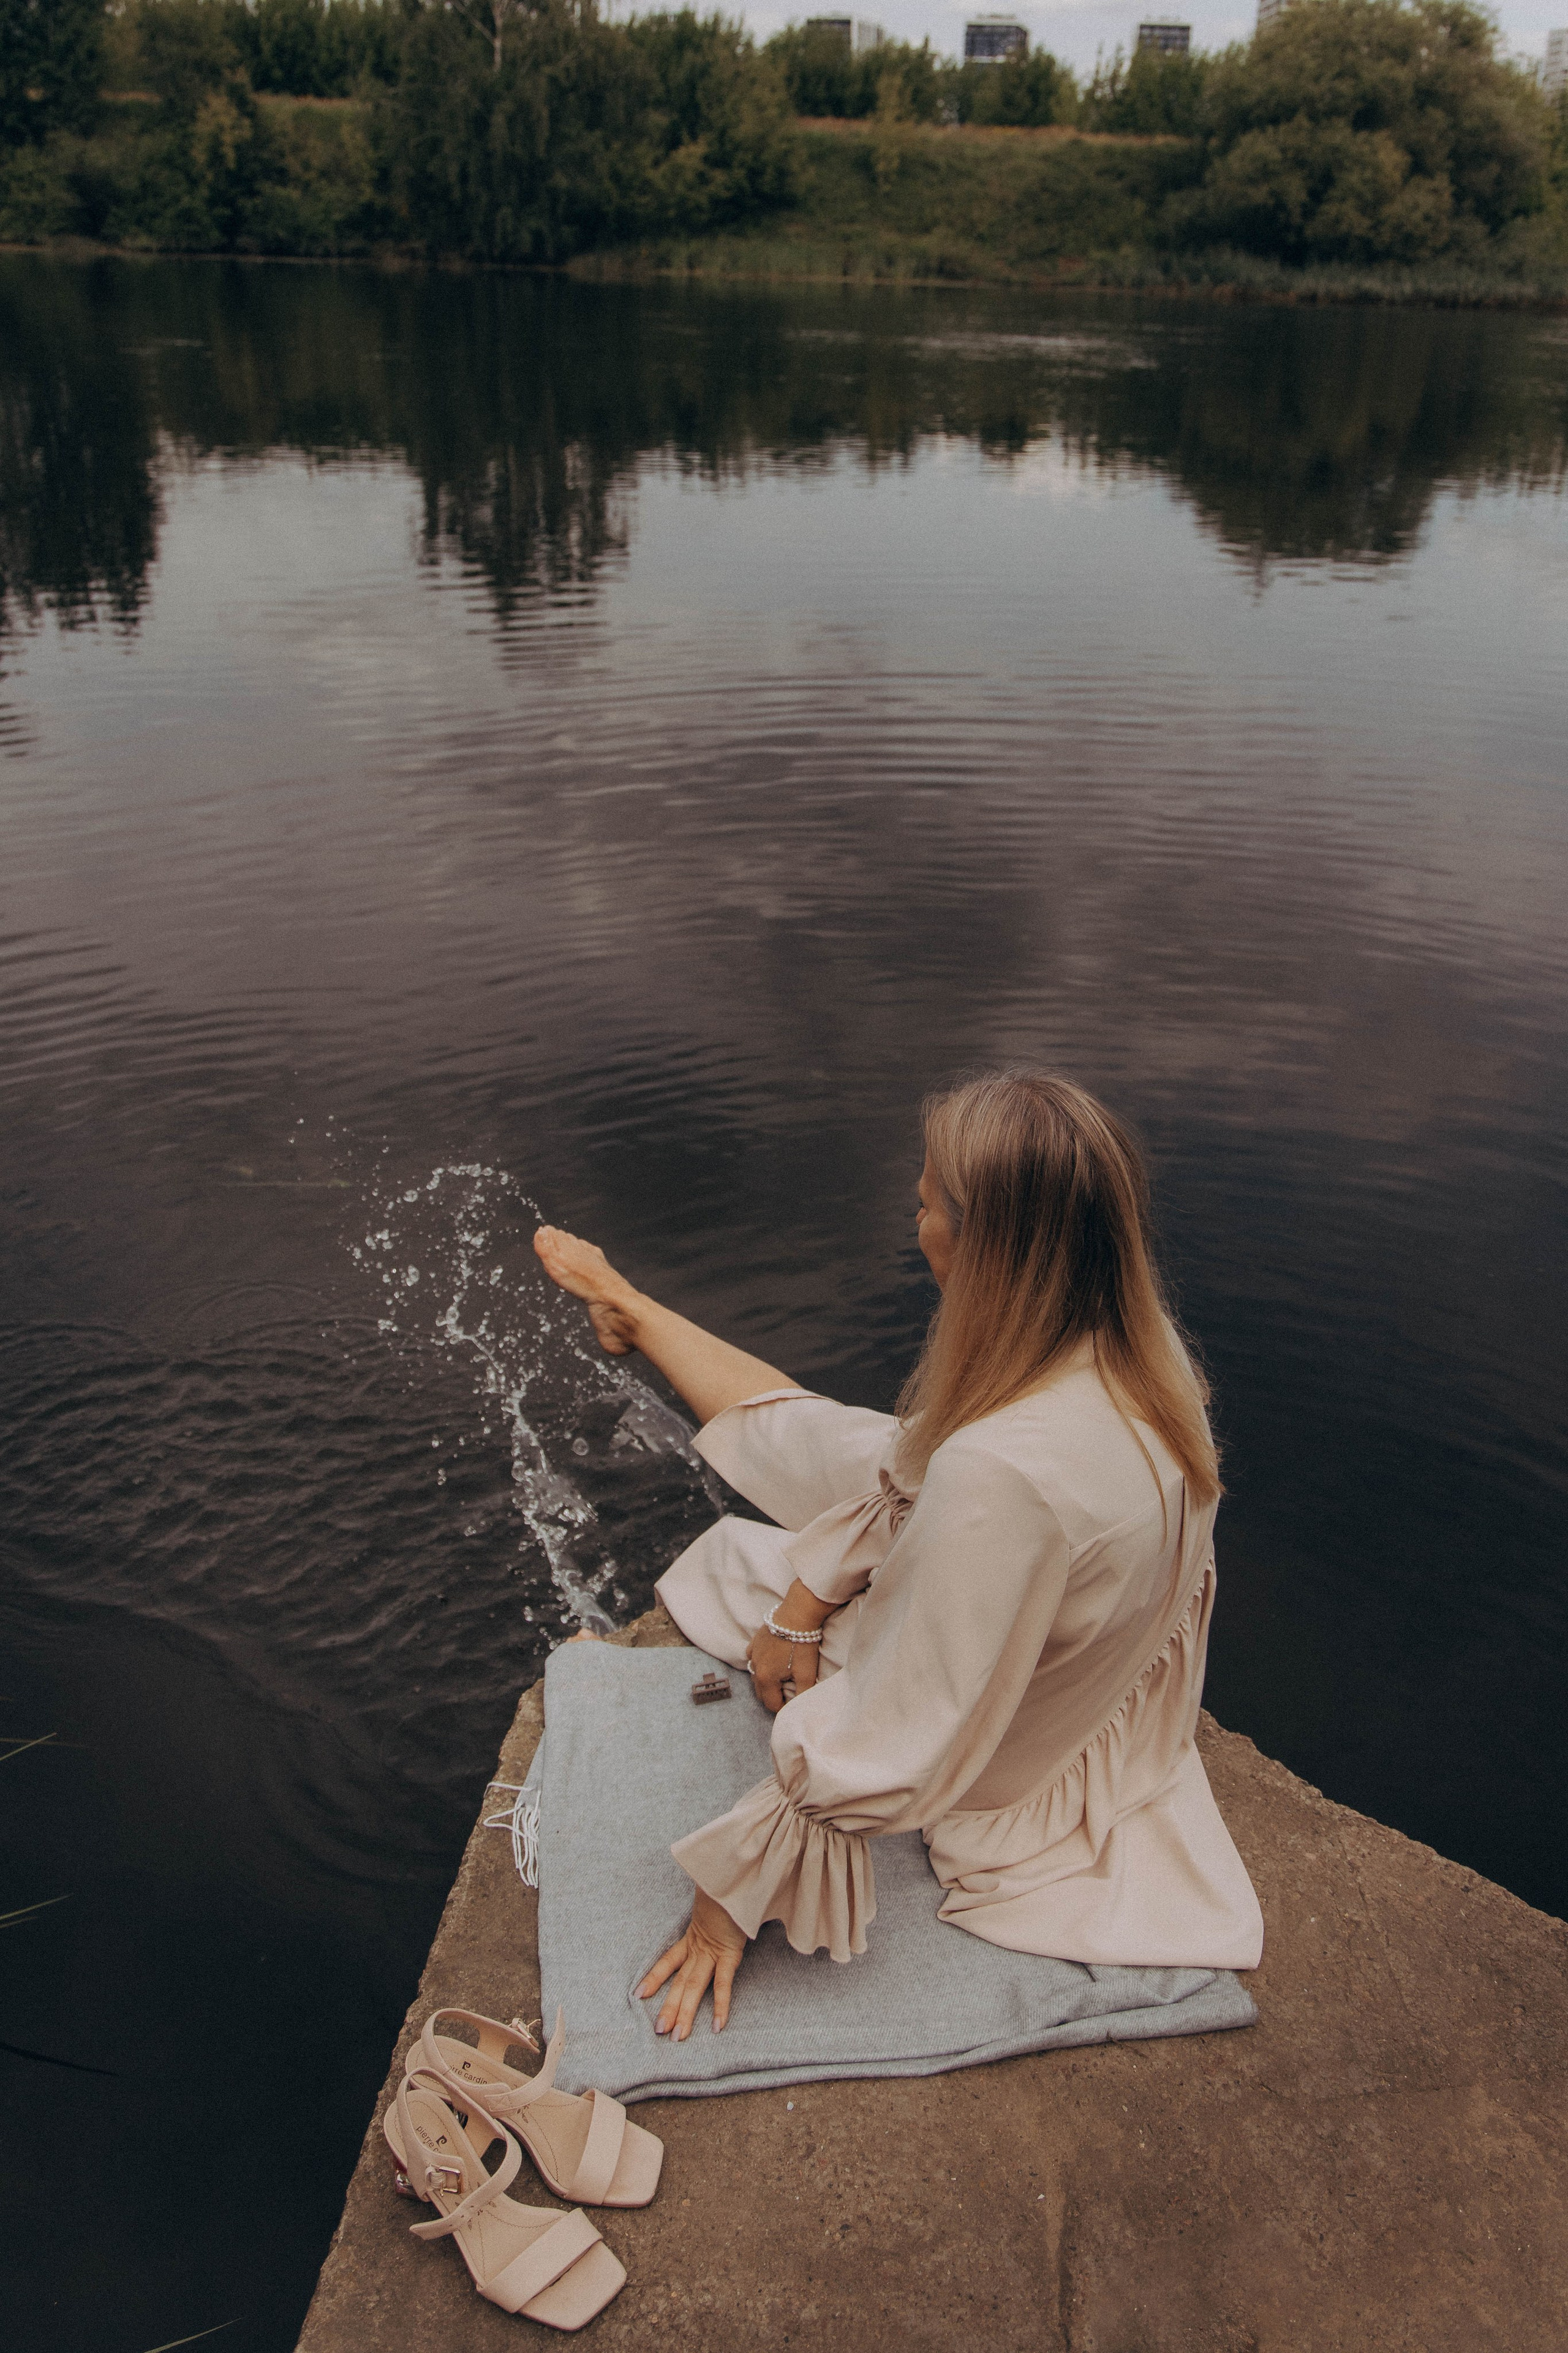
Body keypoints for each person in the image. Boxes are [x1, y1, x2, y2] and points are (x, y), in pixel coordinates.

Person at [532, 1072, 1264, 2044]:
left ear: (981, 1248)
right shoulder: (1142, 1353)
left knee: (739, 1558)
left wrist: (725, 1904)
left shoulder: (1000, 1477)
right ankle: (640, 1311)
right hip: (1077, 1686)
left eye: (925, 1203)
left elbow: (890, 1740)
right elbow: (893, 1472)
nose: (912, 1217)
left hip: (1009, 1764)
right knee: (818, 1495)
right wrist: (803, 1601)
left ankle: (637, 1314)